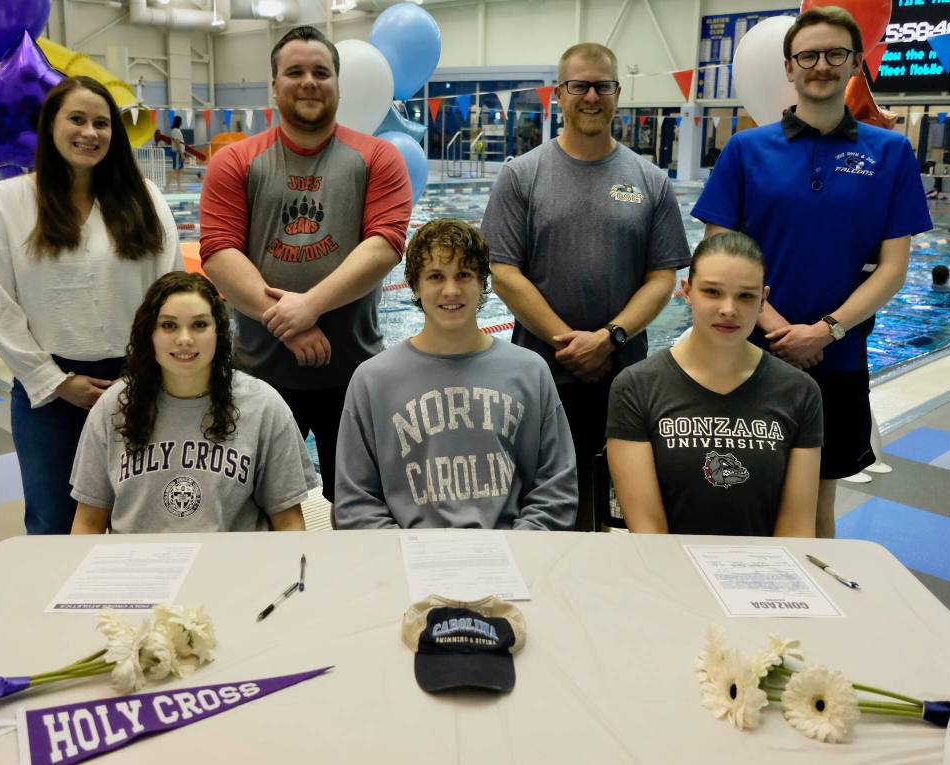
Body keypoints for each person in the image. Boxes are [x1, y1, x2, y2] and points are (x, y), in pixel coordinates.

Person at [691, 7, 932, 538]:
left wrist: (825, 331)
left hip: (839, 356)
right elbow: (718, 255)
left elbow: (893, 269)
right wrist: (779, 331)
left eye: (834, 54)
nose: (820, 64)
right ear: (789, 67)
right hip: (747, 351)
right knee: (731, 489)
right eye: (808, 55)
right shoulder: (746, 149)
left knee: (817, 505)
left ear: (855, 64)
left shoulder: (889, 152)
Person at [481, 42, 691, 530]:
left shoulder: (650, 180)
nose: (591, 96)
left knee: (621, 509)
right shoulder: (521, 175)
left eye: (603, 86)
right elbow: (504, 271)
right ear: (560, 94)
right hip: (541, 374)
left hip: (624, 376)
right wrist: (569, 343)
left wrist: (608, 338)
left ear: (618, 93)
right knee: (540, 504)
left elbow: (663, 277)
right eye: (580, 85)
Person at [200, 25, 411, 506]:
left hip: (353, 374)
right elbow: (218, 250)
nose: (309, 82)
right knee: (254, 506)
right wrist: (289, 326)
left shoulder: (378, 156)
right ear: (274, 86)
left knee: (359, 507)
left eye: (321, 72)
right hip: (258, 376)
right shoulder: (235, 161)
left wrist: (308, 307)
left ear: (338, 83)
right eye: (294, 72)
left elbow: (385, 244)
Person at [0, 76, 181, 535]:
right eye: (77, 120)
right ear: (50, 127)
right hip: (49, 390)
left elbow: (169, 290)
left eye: (102, 123)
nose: (91, 133)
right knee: (53, 522)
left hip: (138, 379)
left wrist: (148, 373)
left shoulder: (143, 198)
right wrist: (55, 381)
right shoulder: (3, 204)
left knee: (145, 516)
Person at [334, 219, 577, 530]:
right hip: (408, 561)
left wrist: (518, 550)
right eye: (436, 276)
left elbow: (556, 486)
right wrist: (407, 557)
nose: (451, 290)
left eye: (463, 275)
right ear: (416, 286)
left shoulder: (530, 372)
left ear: (482, 284)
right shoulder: (372, 380)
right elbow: (356, 501)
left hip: (511, 557)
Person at [607, 233, 822, 537]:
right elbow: (648, 530)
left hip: (766, 572)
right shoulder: (636, 387)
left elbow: (797, 528)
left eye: (746, 296)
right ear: (687, 292)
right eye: (712, 292)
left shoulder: (799, 391)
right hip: (668, 572)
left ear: (763, 300)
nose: (728, 309)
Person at [70, 273, 318, 533]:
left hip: (231, 568)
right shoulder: (114, 405)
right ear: (149, 333)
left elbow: (289, 522)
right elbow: (88, 522)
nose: (185, 339)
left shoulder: (263, 405)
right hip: (140, 569)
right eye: (169, 325)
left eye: (199, 325)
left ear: (219, 332)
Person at [167, 114, 186, 192]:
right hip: (178, 152)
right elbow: (177, 142)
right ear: (179, 122)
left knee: (180, 170)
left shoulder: (176, 130)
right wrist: (181, 153)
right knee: (175, 169)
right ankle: (167, 186)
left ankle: (179, 187)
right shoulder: (175, 131)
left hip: (179, 152)